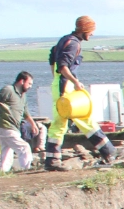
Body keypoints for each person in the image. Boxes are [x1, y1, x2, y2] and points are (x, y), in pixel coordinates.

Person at [45, 15, 116, 170]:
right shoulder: (73, 44)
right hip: (65, 86)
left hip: (60, 84)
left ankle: (52, 160)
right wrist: (74, 82)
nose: (92, 34)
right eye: (91, 31)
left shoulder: (66, 39)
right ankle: (108, 151)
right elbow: (63, 66)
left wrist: (56, 79)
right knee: (72, 119)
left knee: (72, 120)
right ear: (85, 29)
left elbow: (52, 57)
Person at [0, 71, 36, 172]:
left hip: (11, 128)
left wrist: (33, 124)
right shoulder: (8, 90)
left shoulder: (23, 95)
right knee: (24, 147)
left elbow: (25, 112)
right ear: (21, 81)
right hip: (5, 126)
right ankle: (26, 170)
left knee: (7, 151)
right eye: (29, 83)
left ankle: (2, 171)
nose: (30, 86)